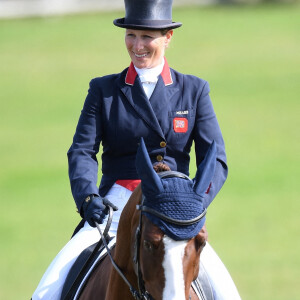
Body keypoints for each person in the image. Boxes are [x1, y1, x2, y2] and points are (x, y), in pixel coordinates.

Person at [32, 0, 241, 299]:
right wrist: (88, 196)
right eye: (131, 35)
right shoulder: (104, 91)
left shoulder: (194, 90)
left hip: (175, 209)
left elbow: (216, 159)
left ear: (168, 37)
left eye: (147, 37)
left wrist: (194, 203)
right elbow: (81, 151)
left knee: (228, 294)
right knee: (46, 291)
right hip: (115, 208)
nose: (137, 45)